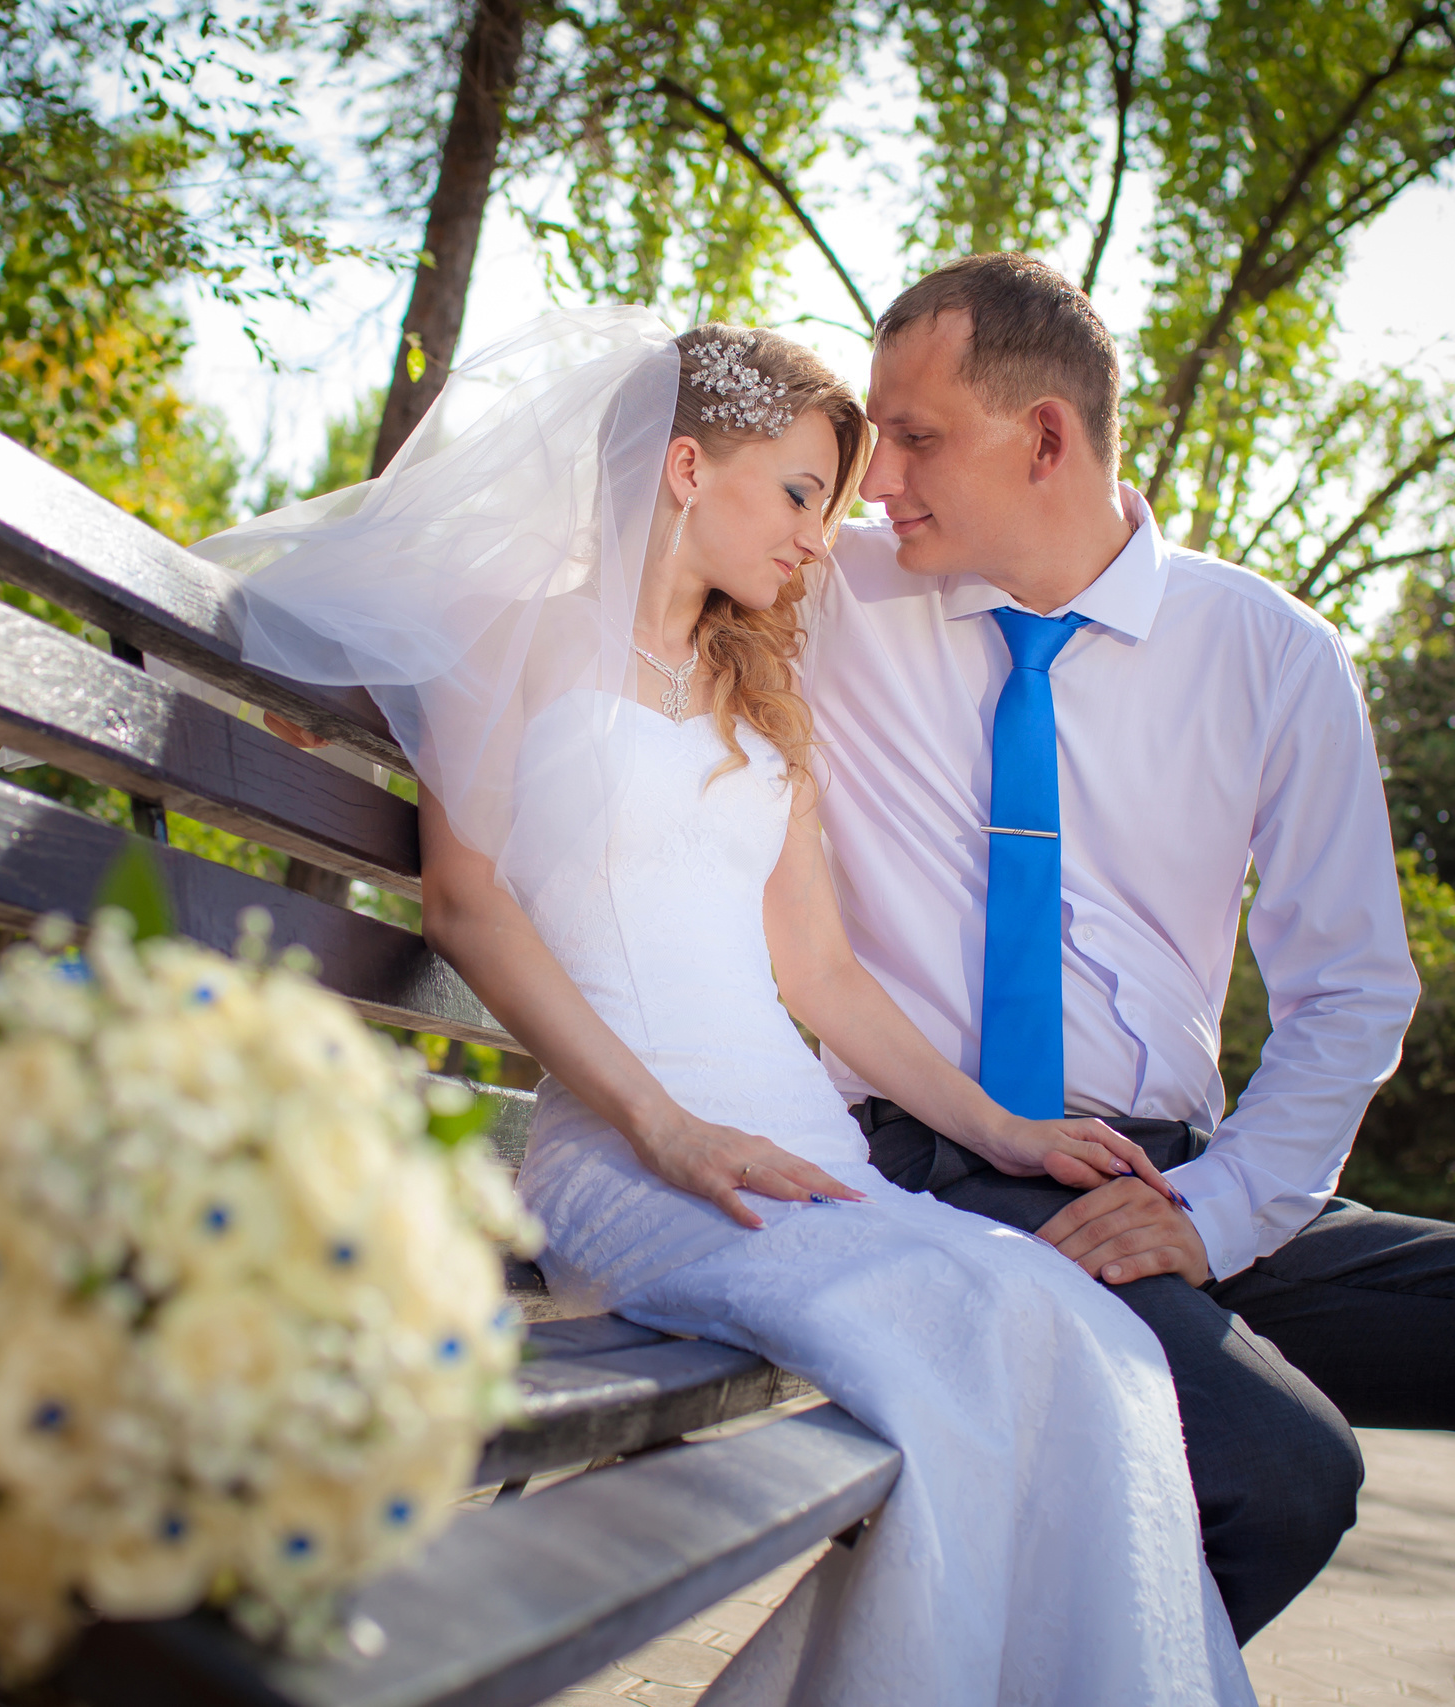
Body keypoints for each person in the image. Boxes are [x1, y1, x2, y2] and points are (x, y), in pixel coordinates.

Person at [204, 307, 1254, 1705]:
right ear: (688, 466)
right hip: (631, 1150)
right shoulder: (511, 643)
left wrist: (1006, 1131)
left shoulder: (762, 697)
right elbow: (466, 906)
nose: (824, 538)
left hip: (800, 1148)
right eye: (805, 494)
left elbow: (821, 976)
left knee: (1089, 1337)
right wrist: (668, 1129)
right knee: (955, 1352)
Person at [806, 252, 1455, 1706]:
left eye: (915, 437)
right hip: (951, 1169)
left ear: (1045, 437)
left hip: (1174, 1185)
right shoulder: (832, 590)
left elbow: (1351, 992)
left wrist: (1216, 1209)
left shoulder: (1273, 655)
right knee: (1277, 1468)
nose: (879, 479)